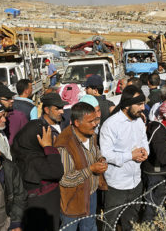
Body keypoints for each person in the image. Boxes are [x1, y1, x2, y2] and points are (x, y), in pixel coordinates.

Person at [11, 93, 66, 231]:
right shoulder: (33, 159)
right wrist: (49, 147)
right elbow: (57, 171)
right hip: (41, 213)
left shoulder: (24, 153)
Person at [99, 85, 149, 230]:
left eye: (143, 103)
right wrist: (130, 156)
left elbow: (144, 142)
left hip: (136, 182)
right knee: (110, 223)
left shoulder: (139, 121)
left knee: (131, 222)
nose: (143, 108)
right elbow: (106, 154)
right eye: (139, 104)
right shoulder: (111, 125)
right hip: (117, 185)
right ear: (127, 105)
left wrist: (145, 152)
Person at [55, 102, 107, 230]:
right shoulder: (65, 145)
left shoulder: (90, 134)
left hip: (91, 193)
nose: (95, 124)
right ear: (77, 123)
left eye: (95, 120)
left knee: (89, 227)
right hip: (73, 201)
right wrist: (91, 169)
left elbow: (95, 151)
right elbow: (65, 179)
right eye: (90, 121)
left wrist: (100, 159)